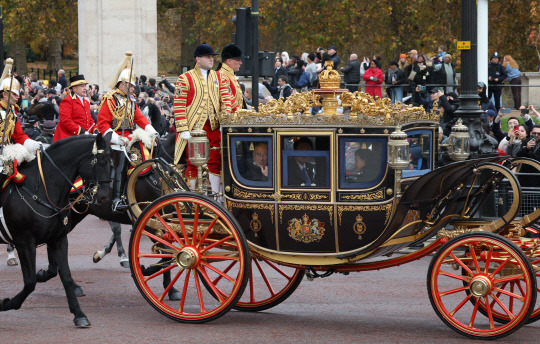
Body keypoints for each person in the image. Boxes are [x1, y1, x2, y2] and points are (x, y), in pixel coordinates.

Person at [97, 51, 159, 211]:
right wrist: (115, 139)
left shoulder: (131, 100)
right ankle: (117, 199)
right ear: (122, 84)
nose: (133, 88)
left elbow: (140, 119)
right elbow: (102, 123)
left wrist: (152, 131)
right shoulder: (110, 98)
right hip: (115, 138)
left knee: (149, 150)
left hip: (130, 136)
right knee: (121, 164)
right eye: (130, 85)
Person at [173, 43, 232, 196]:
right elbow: (179, 105)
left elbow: (226, 100)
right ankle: (193, 196)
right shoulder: (184, 78)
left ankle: (215, 196)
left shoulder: (219, 77)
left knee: (215, 161)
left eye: (212, 56)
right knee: (192, 162)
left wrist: (225, 120)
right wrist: (183, 129)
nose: (211, 59)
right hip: (193, 128)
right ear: (198, 59)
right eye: (208, 56)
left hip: (213, 126)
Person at [0, 58, 41, 185]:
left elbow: (18, 135)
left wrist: (30, 143)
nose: (18, 97)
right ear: (4, 94)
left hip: (5, 149)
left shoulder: (13, 110)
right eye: (14, 94)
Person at [53, 74, 96, 142]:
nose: (85, 88)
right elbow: (66, 120)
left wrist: (95, 129)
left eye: (85, 86)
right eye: (82, 86)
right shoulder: (67, 101)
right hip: (69, 138)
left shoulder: (86, 102)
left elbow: (89, 119)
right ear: (74, 88)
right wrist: (80, 131)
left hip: (83, 137)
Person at [217, 44, 244, 111]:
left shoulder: (230, 75)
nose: (241, 63)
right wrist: (241, 112)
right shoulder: (221, 75)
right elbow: (229, 99)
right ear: (229, 61)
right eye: (238, 60)